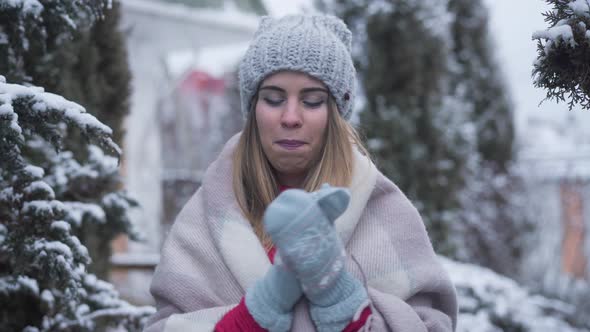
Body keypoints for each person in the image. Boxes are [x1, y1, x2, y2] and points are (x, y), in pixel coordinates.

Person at [144, 14, 457, 332]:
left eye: (311, 101)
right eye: (274, 99)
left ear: (335, 114)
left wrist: (339, 299)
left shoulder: (385, 211)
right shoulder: (205, 217)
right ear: (253, 110)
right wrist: (256, 313)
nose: (290, 117)